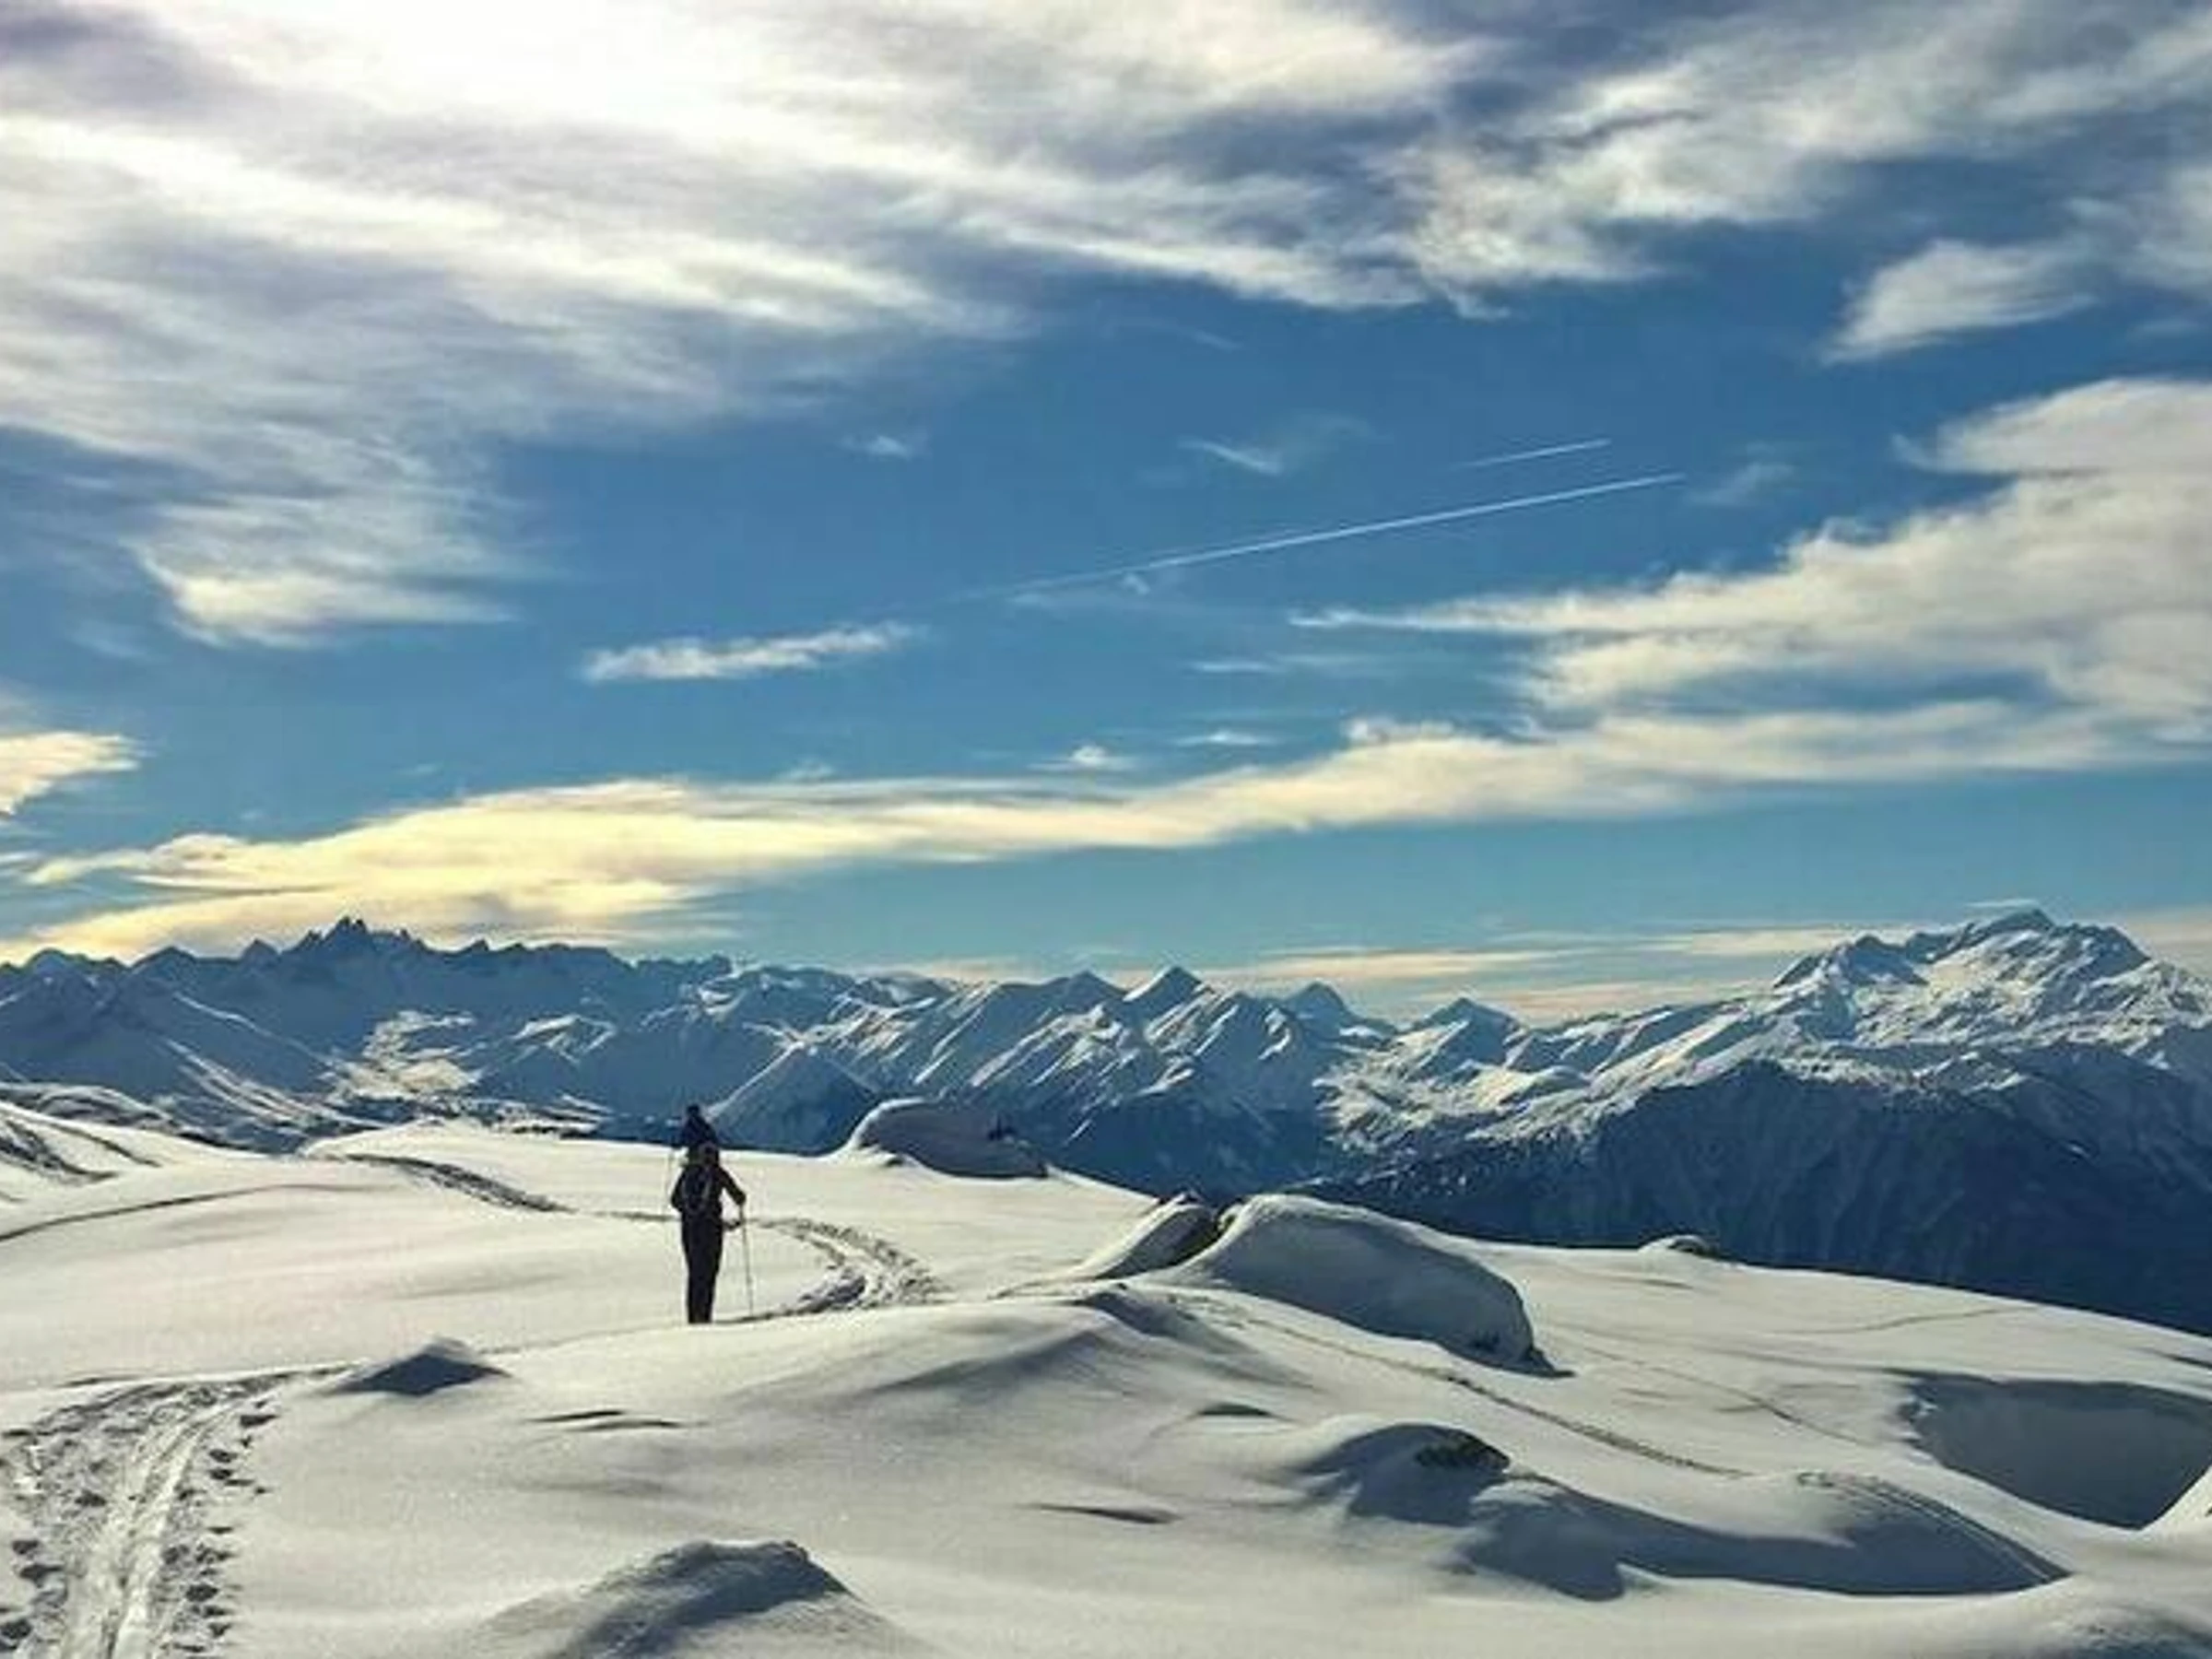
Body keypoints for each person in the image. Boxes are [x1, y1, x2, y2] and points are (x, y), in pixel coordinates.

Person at [669, 1142, 747, 1325]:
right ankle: (704, 1316)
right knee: (709, 1273)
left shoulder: (688, 1172)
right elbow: (738, 1196)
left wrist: (689, 1214)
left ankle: (692, 1317)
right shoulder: (717, 1172)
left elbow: (674, 1200)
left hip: (689, 1230)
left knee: (694, 1273)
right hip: (712, 1230)